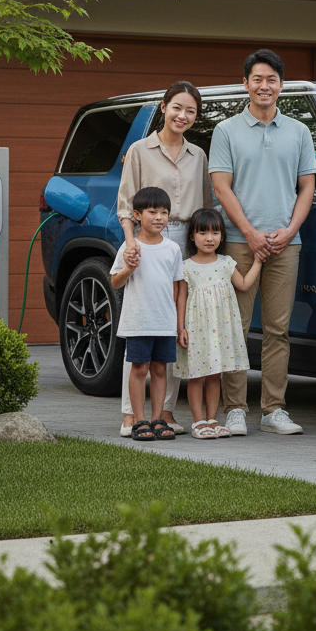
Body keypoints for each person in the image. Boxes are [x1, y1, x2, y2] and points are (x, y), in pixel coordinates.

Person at [209, 49, 316, 436]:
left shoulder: (299, 132)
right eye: (257, 79)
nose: (264, 86)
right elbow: (221, 187)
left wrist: (288, 231)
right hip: (240, 243)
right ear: (246, 84)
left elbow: (307, 187)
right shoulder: (226, 131)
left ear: (281, 86)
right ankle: (235, 409)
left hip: (287, 244)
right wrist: (252, 234)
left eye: (271, 79)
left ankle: (273, 410)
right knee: (235, 326)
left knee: (278, 329)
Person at [116, 80, 213, 438]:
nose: (183, 115)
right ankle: (130, 414)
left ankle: (166, 411)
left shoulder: (198, 155)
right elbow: (126, 204)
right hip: (146, 240)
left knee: (174, 326)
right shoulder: (140, 150)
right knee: (142, 325)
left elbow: (205, 207)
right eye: (177, 108)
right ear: (163, 107)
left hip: (183, 244)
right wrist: (131, 246)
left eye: (191, 111)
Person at [176, 208, 262, 440]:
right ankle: (198, 422)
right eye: (203, 232)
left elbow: (243, 285)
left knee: (215, 375)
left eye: (215, 232)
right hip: (196, 329)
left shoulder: (226, 263)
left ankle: (212, 419)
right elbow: (181, 297)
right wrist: (180, 327)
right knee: (196, 376)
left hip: (219, 331)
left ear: (222, 236)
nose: (209, 238)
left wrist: (258, 262)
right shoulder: (186, 266)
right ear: (192, 236)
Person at [110, 186, 185, 442]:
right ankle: (138, 419)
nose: (159, 217)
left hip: (164, 322)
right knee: (139, 368)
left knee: (161, 369)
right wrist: (129, 269)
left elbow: (176, 287)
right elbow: (115, 283)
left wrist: (177, 323)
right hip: (138, 321)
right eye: (152, 211)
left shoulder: (173, 249)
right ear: (137, 215)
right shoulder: (129, 248)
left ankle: (158, 419)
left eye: (164, 212)